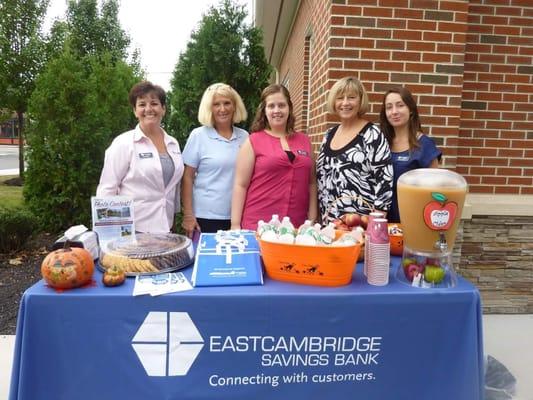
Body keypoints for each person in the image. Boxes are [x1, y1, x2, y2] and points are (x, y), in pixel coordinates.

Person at [96, 81, 184, 233]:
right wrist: (110, 235)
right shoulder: (123, 143)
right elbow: (107, 190)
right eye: (142, 104)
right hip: (134, 231)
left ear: (163, 109)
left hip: (166, 226)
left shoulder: (173, 143)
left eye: (154, 103)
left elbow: (173, 187)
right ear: (135, 111)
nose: (148, 109)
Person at [231, 84, 317, 231]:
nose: (277, 110)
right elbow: (240, 185)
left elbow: (312, 183)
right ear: (264, 111)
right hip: (258, 225)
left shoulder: (304, 141)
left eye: (281, 105)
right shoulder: (253, 141)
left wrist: (312, 219)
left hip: (296, 227)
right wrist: (235, 225)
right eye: (271, 106)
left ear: (289, 108)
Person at [316, 76, 393, 225]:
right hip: (329, 227)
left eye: (351, 97)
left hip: (359, 227)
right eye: (340, 98)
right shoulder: (329, 135)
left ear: (360, 101)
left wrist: (374, 225)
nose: (345, 103)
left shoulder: (371, 134)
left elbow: (385, 181)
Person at [181, 83, 248, 237]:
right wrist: (188, 215)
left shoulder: (245, 137)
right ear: (209, 108)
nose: (222, 109)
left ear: (235, 106)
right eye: (216, 104)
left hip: (237, 217)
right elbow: (187, 177)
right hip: (205, 218)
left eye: (227, 103)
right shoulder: (198, 136)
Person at [380, 86, 442, 223]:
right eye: (389, 107)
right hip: (382, 223)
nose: (394, 112)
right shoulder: (381, 144)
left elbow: (435, 192)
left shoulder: (425, 145)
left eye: (400, 105)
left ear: (411, 110)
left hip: (413, 223)